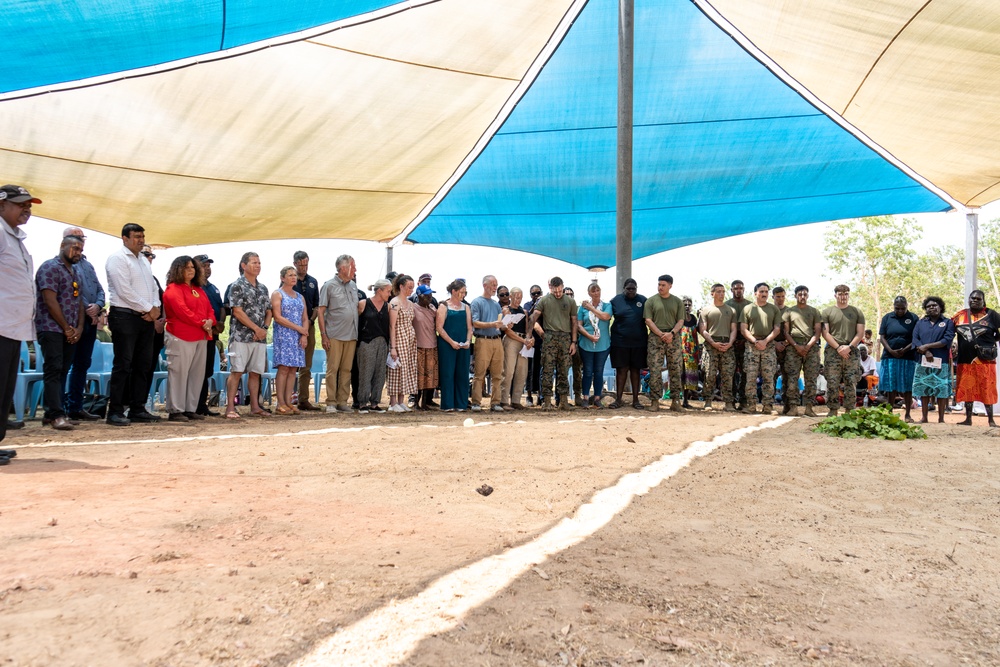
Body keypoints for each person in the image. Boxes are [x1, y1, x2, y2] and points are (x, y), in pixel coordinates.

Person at [105, 223, 162, 426]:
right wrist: (148, 307)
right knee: (123, 364)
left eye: (143, 236)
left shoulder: (143, 261)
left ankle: (137, 408)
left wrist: (154, 308)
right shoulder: (117, 259)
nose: (141, 240)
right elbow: (123, 290)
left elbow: (154, 287)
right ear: (124, 238)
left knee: (143, 365)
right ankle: (115, 411)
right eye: (137, 236)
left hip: (145, 319)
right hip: (125, 317)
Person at [0, 184, 39, 462]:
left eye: (29, 204)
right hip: (1, 323)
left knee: (4, 388)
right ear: (1, 204)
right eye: (21, 203)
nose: (27, 208)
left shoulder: (15, 238)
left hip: (13, 327)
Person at [35, 234, 85, 430]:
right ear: (62, 245)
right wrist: (66, 328)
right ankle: (56, 415)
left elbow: (79, 301)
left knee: (63, 370)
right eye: (74, 248)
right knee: (54, 369)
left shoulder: (76, 272)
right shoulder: (49, 267)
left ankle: (53, 412)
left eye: (81, 249)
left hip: (70, 331)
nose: (78, 252)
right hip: (51, 328)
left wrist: (79, 328)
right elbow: (49, 300)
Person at [162, 256, 215, 421]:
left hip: (201, 336)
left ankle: (189, 408)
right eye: (186, 267)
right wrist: (203, 323)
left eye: (192, 267)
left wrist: (210, 321)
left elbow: (210, 309)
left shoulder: (199, 289)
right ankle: (175, 409)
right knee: (179, 373)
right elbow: (182, 311)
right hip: (180, 335)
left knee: (196, 374)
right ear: (178, 269)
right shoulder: (172, 289)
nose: (191, 270)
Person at [63, 227, 105, 421]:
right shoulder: (61, 265)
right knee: (64, 365)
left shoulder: (88, 265)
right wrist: (85, 308)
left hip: (89, 321)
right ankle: (55, 409)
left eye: (82, 238)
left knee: (82, 364)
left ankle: (76, 407)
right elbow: (68, 294)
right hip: (71, 322)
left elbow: (100, 290)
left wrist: (97, 306)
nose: (80, 242)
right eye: (75, 238)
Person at [225, 252, 272, 419]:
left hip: (259, 339)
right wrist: (256, 329)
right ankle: (230, 407)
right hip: (240, 337)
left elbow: (269, 311)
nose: (258, 265)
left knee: (255, 372)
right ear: (244, 265)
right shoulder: (236, 286)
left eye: (259, 262)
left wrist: (264, 328)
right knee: (236, 371)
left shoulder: (263, 288)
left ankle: (255, 406)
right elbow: (237, 311)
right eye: (254, 262)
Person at [526, 277, 578, 411]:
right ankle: (547, 401)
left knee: (563, 370)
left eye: (560, 291)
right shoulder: (544, 300)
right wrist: (529, 334)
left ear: (563, 286)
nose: (558, 293)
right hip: (549, 337)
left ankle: (563, 401)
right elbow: (534, 317)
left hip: (566, 338)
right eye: (555, 291)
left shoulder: (570, 301)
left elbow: (574, 323)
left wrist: (573, 342)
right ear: (550, 288)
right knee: (547, 370)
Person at [318, 254, 359, 413]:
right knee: (332, 369)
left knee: (346, 370)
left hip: (351, 334)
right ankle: (331, 402)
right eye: (353, 266)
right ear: (343, 268)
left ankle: (343, 401)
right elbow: (321, 311)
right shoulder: (329, 286)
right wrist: (323, 335)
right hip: (334, 334)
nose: (355, 269)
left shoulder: (353, 286)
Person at [952, 289, 1000, 427]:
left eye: (978, 299)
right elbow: (949, 331)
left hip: (985, 360)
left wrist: (993, 341)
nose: (974, 300)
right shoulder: (959, 315)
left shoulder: (991, 315)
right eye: (972, 298)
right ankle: (968, 419)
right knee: (967, 388)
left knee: (987, 389)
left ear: (983, 300)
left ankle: (991, 420)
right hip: (965, 359)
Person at [821, 285, 865, 416]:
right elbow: (825, 333)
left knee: (851, 381)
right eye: (840, 294)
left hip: (851, 350)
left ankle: (849, 410)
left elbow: (860, 333)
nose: (843, 296)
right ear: (835, 295)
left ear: (848, 295)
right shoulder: (827, 312)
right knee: (832, 381)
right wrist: (838, 348)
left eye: (845, 293)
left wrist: (849, 347)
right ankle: (833, 409)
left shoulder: (857, 312)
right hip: (833, 351)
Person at [643, 274, 685, 412]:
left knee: (675, 369)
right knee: (655, 369)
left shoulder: (677, 302)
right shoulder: (651, 301)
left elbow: (680, 321)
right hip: (656, 337)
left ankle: (675, 401)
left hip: (673, 337)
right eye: (659, 284)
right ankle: (655, 401)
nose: (660, 287)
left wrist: (671, 333)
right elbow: (648, 320)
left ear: (670, 286)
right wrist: (661, 334)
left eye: (663, 285)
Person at [270, 266, 308, 415]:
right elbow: (278, 317)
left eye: (295, 275)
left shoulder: (300, 297)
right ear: (282, 278)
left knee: (293, 369)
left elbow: (305, 318)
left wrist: (304, 334)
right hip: (284, 334)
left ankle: (288, 401)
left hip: (297, 336)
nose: (293, 277)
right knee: (284, 368)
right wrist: (299, 329)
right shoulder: (277, 294)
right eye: (290, 275)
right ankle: (280, 402)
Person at [911, 296, 954, 423]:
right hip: (923, 361)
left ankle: (941, 419)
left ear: (941, 307)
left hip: (941, 362)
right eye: (928, 306)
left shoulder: (948, 322)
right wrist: (926, 351)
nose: (931, 308)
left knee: (941, 389)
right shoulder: (920, 323)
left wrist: (927, 346)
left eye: (934, 305)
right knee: (923, 389)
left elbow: (947, 339)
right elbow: (915, 339)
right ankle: (924, 417)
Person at [740, 282, 782, 414]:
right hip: (752, 345)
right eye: (761, 291)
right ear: (755, 293)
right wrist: (755, 341)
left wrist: (765, 341)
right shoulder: (747, 309)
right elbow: (743, 329)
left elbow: (777, 329)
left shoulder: (774, 309)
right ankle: (751, 406)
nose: (764, 294)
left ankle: (767, 406)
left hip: (768, 345)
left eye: (766, 292)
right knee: (751, 377)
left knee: (768, 377)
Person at [782, 285, 823, 416]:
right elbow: (786, 332)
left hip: (811, 346)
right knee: (792, 378)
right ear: (795, 296)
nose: (802, 297)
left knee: (811, 378)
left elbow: (817, 332)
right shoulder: (789, 312)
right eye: (800, 294)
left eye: (805, 294)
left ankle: (809, 407)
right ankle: (793, 407)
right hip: (793, 346)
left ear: (808, 295)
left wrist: (808, 346)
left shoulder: (814, 311)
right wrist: (796, 345)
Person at [193, 254, 224, 417]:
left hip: (213, 336)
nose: (207, 268)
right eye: (203, 265)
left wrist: (220, 323)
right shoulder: (193, 287)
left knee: (206, 371)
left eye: (208, 265)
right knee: (196, 371)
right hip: (198, 335)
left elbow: (221, 307)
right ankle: (192, 405)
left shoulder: (213, 288)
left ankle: (201, 405)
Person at [877, 296, 917, 422]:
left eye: (902, 308)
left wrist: (905, 349)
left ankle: (908, 414)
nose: (900, 311)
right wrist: (890, 350)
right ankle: (889, 413)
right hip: (890, 356)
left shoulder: (913, 318)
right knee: (891, 385)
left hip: (908, 356)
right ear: (893, 306)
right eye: (897, 308)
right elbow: (882, 337)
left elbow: (916, 337)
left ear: (907, 306)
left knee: (907, 385)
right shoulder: (887, 318)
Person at [609, 278, 647, 410]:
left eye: (634, 288)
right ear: (624, 289)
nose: (631, 291)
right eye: (628, 288)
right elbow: (606, 317)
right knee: (621, 370)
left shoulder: (643, 301)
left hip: (639, 342)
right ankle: (618, 399)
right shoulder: (615, 301)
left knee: (636, 370)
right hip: (620, 342)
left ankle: (636, 400)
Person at [698, 283, 737, 411]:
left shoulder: (731, 310)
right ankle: (708, 400)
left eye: (723, 291)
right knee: (709, 374)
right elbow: (703, 329)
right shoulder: (706, 310)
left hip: (727, 345)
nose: (721, 294)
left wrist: (730, 343)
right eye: (718, 291)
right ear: (712, 293)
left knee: (728, 375)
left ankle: (729, 402)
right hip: (711, 346)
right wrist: (713, 343)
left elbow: (733, 329)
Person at [355, 279, 392, 413]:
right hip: (367, 342)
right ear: (379, 290)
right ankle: (362, 402)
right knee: (366, 373)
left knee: (380, 374)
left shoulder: (387, 306)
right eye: (388, 291)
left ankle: (375, 403)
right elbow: (356, 323)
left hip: (383, 343)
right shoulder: (363, 304)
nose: (390, 293)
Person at [292, 251, 321, 411]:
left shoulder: (313, 282)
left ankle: (303, 399)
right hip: (291, 328)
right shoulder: (289, 279)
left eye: (306, 264)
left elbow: (317, 306)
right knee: (289, 366)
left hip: (309, 327)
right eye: (301, 264)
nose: (304, 267)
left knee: (306, 365)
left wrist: (310, 322)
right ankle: (286, 400)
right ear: (295, 263)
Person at [437, 280, 473, 412]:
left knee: (462, 374)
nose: (463, 295)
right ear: (454, 291)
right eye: (461, 292)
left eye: (465, 292)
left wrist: (468, 341)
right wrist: (451, 342)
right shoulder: (444, 306)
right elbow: (439, 328)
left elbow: (470, 328)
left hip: (463, 346)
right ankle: (447, 404)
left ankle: (461, 404)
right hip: (447, 346)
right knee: (448, 374)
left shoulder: (466, 307)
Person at [470, 275, 505, 412]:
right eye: (493, 284)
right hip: (482, 340)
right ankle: (476, 403)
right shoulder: (476, 302)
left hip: (497, 340)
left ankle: (495, 403)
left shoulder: (496, 304)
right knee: (480, 374)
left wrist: (506, 325)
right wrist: (493, 324)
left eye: (496, 284)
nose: (495, 287)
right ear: (485, 285)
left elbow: (499, 324)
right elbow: (475, 322)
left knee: (497, 374)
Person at [577, 282, 612, 408]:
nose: (596, 293)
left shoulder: (607, 305)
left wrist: (591, 308)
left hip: (603, 345)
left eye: (598, 290)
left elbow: (605, 317)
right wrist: (589, 335)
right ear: (589, 293)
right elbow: (579, 325)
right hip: (586, 343)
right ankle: (585, 397)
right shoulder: (582, 308)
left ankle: (597, 398)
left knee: (599, 371)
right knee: (587, 371)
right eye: (593, 291)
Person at [387, 275, 417, 412]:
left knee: (406, 369)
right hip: (398, 338)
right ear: (401, 286)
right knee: (396, 369)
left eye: (412, 287)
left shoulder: (410, 303)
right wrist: (393, 347)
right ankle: (393, 403)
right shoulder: (394, 302)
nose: (411, 290)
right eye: (409, 287)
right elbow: (392, 325)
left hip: (409, 339)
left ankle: (401, 400)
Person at [500, 287, 532, 409]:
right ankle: (503, 401)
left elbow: (527, 328)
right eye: (516, 296)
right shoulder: (506, 310)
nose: (518, 299)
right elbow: (508, 331)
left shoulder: (524, 311)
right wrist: (523, 340)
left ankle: (516, 400)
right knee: (508, 371)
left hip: (523, 341)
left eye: (520, 297)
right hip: (512, 341)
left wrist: (529, 339)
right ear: (511, 297)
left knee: (522, 372)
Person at [413, 284, 440, 410]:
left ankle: (426, 402)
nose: (430, 297)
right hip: (418, 346)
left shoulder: (432, 308)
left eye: (431, 294)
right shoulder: (413, 308)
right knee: (419, 377)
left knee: (430, 377)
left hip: (432, 346)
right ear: (419, 296)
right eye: (427, 295)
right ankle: (415, 402)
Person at [726, 280, 751, 409]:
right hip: (730, 344)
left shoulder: (750, 305)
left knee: (746, 373)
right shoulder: (726, 305)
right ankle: (730, 401)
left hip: (746, 344)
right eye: (736, 288)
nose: (738, 290)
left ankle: (743, 400)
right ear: (731, 290)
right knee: (729, 373)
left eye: (741, 288)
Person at [563, 287, 585, 405]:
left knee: (577, 371)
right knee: (563, 371)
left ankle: (577, 396)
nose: (569, 296)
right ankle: (562, 398)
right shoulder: (560, 310)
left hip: (576, 344)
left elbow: (579, 325)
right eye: (567, 294)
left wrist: (574, 342)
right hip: (563, 343)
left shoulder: (577, 310)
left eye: (571, 294)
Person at [524, 284, 544, 405]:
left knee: (541, 369)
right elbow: (531, 318)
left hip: (542, 341)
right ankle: (529, 395)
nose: (536, 295)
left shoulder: (545, 304)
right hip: (531, 341)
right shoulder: (527, 305)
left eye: (538, 293)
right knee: (530, 369)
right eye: (533, 294)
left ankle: (540, 396)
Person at [679, 295, 700, 408]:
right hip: (680, 350)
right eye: (684, 304)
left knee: (689, 377)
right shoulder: (678, 318)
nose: (687, 306)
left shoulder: (693, 318)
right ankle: (677, 400)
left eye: (689, 304)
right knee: (679, 375)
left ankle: (685, 401)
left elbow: (698, 330)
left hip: (692, 352)